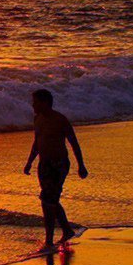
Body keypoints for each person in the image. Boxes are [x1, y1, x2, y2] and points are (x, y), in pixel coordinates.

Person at [23, 88, 87, 251]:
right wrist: (29, 162)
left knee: (47, 200)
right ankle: (66, 229)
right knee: (50, 199)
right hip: (44, 164)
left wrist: (81, 165)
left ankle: (49, 241)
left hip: (59, 164)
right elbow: (37, 142)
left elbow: (74, 143)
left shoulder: (60, 120)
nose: (33, 105)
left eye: (35, 102)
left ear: (45, 103)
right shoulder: (37, 119)